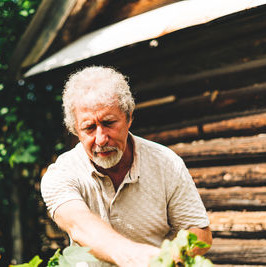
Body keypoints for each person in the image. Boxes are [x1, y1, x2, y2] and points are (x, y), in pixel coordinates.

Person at [41, 66, 212, 267]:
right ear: (75, 130)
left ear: (129, 117)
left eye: (109, 123)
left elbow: (199, 232)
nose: (101, 139)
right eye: (88, 128)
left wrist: (169, 260)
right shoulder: (61, 174)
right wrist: (137, 258)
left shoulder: (167, 164)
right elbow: (80, 225)